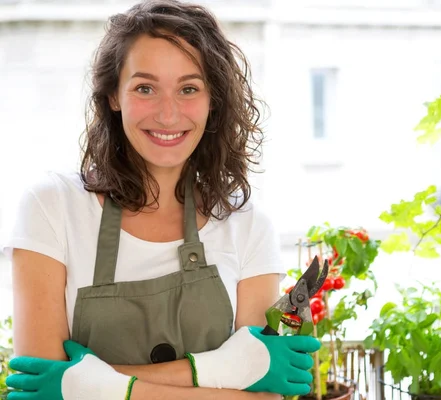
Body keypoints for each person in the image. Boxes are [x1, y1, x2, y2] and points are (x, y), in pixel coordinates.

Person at [1, 0, 320, 399]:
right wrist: (223, 371)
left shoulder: (247, 225)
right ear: (114, 96)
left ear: (212, 101)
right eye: (145, 88)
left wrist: (95, 388)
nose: (168, 115)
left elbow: (262, 398)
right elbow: (41, 389)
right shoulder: (51, 208)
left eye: (189, 88)